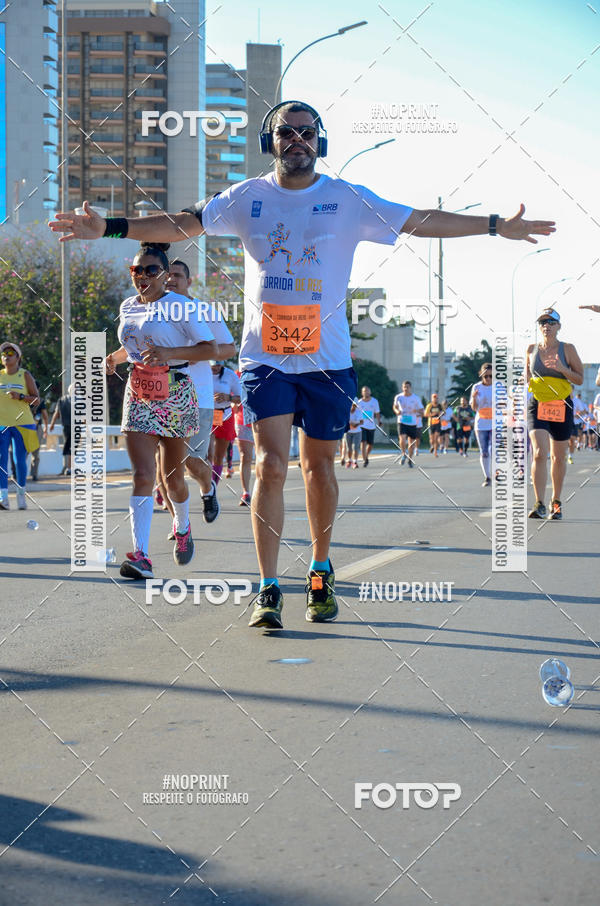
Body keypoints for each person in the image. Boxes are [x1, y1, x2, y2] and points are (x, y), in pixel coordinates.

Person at [49, 98, 556, 628]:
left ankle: (319, 570)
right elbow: (182, 223)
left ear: (320, 140)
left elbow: (420, 220)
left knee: (318, 467)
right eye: (287, 133)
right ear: (271, 142)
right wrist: (109, 226)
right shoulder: (247, 197)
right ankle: (268, 588)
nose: (298, 141)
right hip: (265, 359)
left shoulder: (347, 199)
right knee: (269, 464)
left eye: (307, 132)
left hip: (328, 362)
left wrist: (496, 226)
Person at [105, 242, 217, 579]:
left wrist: (169, 355)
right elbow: (135, 346)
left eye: (151, 270)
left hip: (176, 391)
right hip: (139, 390)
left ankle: (182, 526)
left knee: (172, 480)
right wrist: (114, 358)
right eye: (136, 270)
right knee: (142, 475)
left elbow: (209, 348)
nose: (142, 277)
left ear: (165, 275)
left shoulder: (181, 306)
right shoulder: (128, 306)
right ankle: (141, 555)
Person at [165, 259, 236, 523]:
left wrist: (200, 353)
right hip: (161, 397)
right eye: (167, 276)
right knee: (166, 464)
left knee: (192, 462)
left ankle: (208, 488)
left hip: (198, 397)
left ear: (189, 281)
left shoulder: (204, 311)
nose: (170, 280)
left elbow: (229, 349)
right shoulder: (152, 312)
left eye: (177, 276)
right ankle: (179, 524)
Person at [527, 309, 583, 519]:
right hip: (538, 404)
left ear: (559, 326)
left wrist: (562, 368)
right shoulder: (531, 349)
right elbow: (526, 377)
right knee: (539, 453)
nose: (546, 325)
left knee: (558, 457)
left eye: (551, 322)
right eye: (542, 322)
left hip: (561, 405)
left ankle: (556, 501)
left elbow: (579, 379)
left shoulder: (567, 349)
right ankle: (539, 503)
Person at [0, 342, 40, 510]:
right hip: (2, 424)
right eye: (3, 353)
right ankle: (3, 498)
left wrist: (21, 396)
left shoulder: (25, 375)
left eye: (10, 352)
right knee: (1, 461)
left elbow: (37, 399)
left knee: (19, 460)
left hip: (23, 423)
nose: (6, 356)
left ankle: (21, 495)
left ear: (18, 357)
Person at [209, 361, 242, 485]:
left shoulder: (230, 375)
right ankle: (206, 486)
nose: (215, 368)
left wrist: (228, 398)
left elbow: (241, 397)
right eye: (212, 365)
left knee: (218, 456)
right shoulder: (203, 372)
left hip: (225, 416)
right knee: (208, 454)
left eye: (217, 365)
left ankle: (213, 487)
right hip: (208, 416)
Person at [470, 364, 494, 486]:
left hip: (495, 424)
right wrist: (474, 398)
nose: (488, 379)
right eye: (486, 376)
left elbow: (504, 405)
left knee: (493, 449)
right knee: (484, 451)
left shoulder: (497, 387)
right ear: (481, 375)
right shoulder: (476, 387)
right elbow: (474, 408)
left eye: (490, 376)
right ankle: (487, 477)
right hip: (481, 424)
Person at [393, 380, 423, 468]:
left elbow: (422, 410)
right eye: (404, 387)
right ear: (402, 388)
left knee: (411, 444)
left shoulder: (415, 398)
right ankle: (403, 454)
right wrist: (397, 411)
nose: (406, 389)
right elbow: (395, 406)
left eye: (407, 387)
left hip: (412, 422)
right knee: (402, 439)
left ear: (410, 388)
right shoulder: (398, 397)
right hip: (402, 421)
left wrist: (416, 410)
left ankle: (410, 459)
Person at [234, 393, 255, 505]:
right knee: (245, 457)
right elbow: (233, 394)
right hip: (243, 421)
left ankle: (265, 490)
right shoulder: (237, 375)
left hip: (262, 420)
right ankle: (246, 493)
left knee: (265, 458)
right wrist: (232, 401)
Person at [48, 385, 72, 476]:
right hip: (75, 426)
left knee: (68, 446)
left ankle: (66, 467)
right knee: (71, 447)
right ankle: (69, 468)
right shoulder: (79, 400)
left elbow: (56, 413)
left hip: (66, 426)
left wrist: (52, 424)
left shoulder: (62, 400)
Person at [357, 386, 380, 466]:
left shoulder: (374, 401)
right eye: (364, 391)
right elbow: (356, 414)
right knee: (363, 442)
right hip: (362, 426)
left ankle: (366, 455)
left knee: (370, 444)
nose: (365, 392)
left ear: (370, 392)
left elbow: (377, 412)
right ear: (362, 393)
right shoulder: (359, 402)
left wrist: (379, 421)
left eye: (367, 391)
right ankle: (365, 459)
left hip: (371, 426)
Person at [30, 397, 48, 481]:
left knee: (23, 452)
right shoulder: (40, 400)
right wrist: (46, 428)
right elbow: (45, 415)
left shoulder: (24, 397)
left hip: (25, 426)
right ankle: (34, 474)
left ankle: (17, 474)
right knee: (36, 452)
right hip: (37, 427)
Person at [423, 393, 444, 457]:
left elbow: (443, 412)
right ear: (432, 399)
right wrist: (432, 414)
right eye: (434, 398)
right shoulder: (429, 405)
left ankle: (435, 452)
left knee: (436, 437)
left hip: (438, 423)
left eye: (436, 398)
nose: (435, 399)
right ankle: (432, 445)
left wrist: (440, 413)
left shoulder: (440, 405)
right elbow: (425, 414)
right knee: (432, 439)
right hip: (431, 423)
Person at [344, 402, 362, 468]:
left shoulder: (359, 412)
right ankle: (349, 460)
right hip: (348, 431)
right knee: (349, 447)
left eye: (354, 405)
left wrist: (356, 425)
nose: (353, 407)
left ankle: (355, 461)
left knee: (356, 447)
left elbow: (362, 421)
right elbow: (344, 420)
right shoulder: (346, 411)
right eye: (352, 405)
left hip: (357, 432)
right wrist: (350, 424)